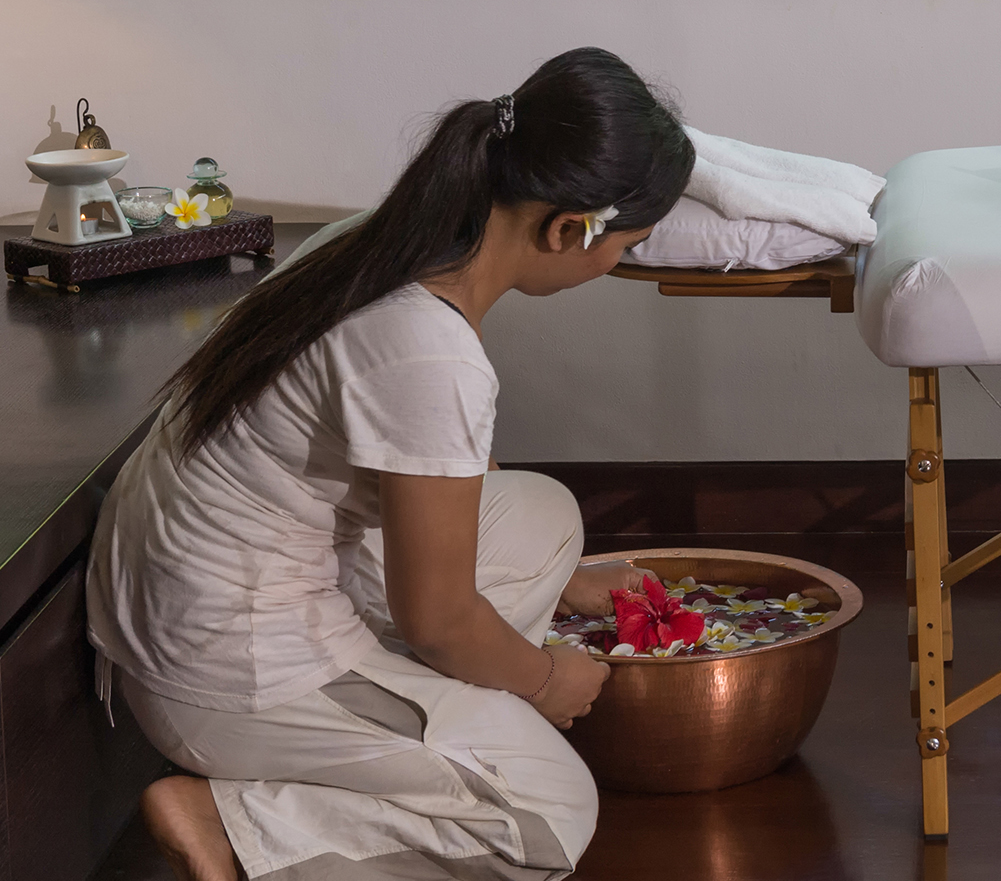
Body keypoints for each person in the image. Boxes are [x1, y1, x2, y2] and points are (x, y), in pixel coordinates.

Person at [87, 47, 694, 881]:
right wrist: (544, 680)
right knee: (550, 815)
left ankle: (421, 735)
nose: (619, 261)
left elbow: (418, 485)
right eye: (629, 244)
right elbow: (438, 619)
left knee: (545, 518)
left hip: (184, 590)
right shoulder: (427, 350)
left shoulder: (380, 242)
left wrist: (561, 589)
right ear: (568, 230)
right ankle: (235, 822)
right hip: (226, 668)